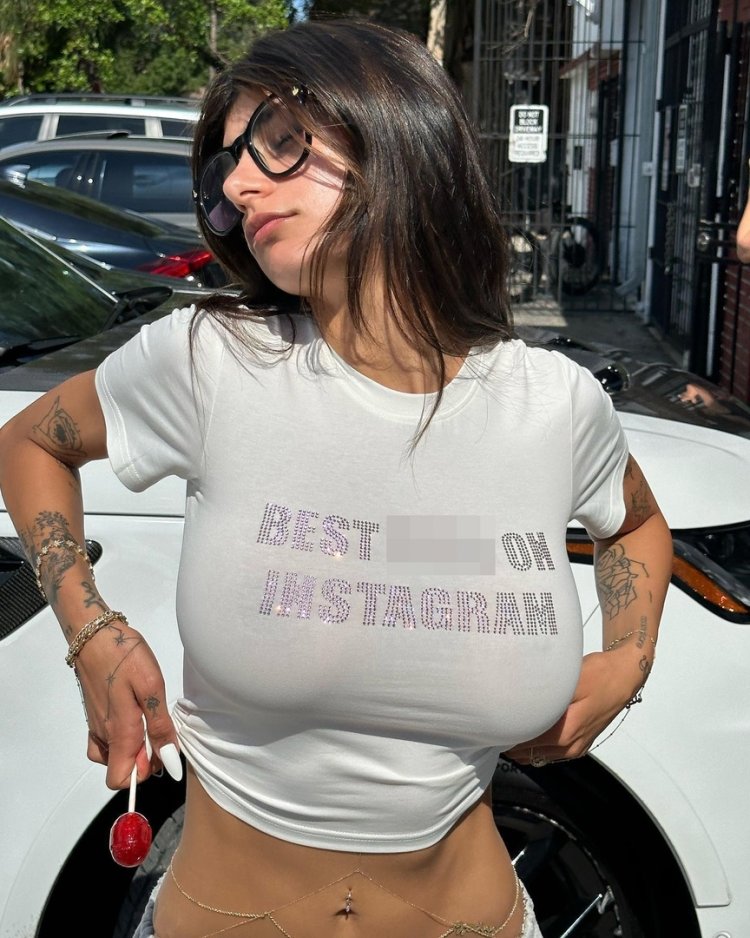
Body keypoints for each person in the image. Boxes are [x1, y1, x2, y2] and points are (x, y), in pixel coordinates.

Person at [0, 18, 673, 938]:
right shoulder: (211, 362)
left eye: (277, 139)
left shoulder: (551, 406)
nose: (237, 187)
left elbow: (634, 524)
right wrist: (92, 633)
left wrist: (630, 661)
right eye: (224, 170)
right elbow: (30, 444)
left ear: (393, 123)